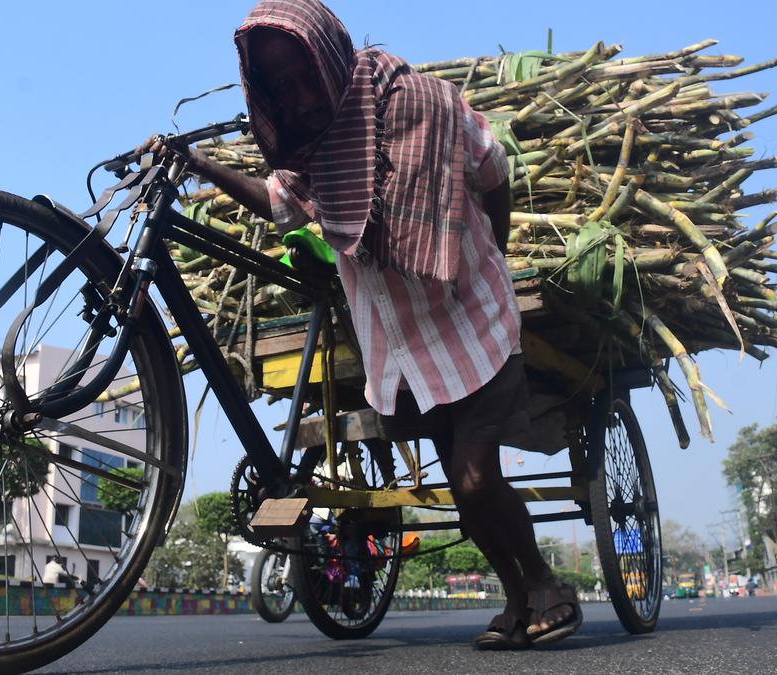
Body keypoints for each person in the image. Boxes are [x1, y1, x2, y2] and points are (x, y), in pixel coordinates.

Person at [142, 0, 575, 650]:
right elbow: (279, 202)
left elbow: (494, 172)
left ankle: (547, 586)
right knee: (462, 482)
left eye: (302, 74)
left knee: (477, 475)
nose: (295, 95)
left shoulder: (424, 105)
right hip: (405, 347)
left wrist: (491, 255)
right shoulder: (310, 151)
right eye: (277, 84)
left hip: (472, 320)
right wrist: (201, 165)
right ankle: (518, 601)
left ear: (330, 55)